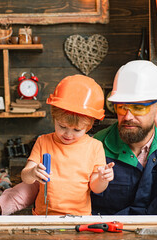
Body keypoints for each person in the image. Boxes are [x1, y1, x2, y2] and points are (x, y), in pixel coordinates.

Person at [0, 60, 157, 216]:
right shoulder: (96, 144)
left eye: (139, 107)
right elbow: (37, 187)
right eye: (121, 107)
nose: (128, 116)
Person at [20, 74, 114, 215]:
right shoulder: (43, 141)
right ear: (54, 118)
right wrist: (33, 173)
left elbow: (96, 188)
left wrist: (102, 179)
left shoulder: (94, 147)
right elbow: (25, 177)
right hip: (43, 215)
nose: (68, 135)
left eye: (76, 130)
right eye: (62, 126)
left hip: (80, 218)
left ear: (88, 126)